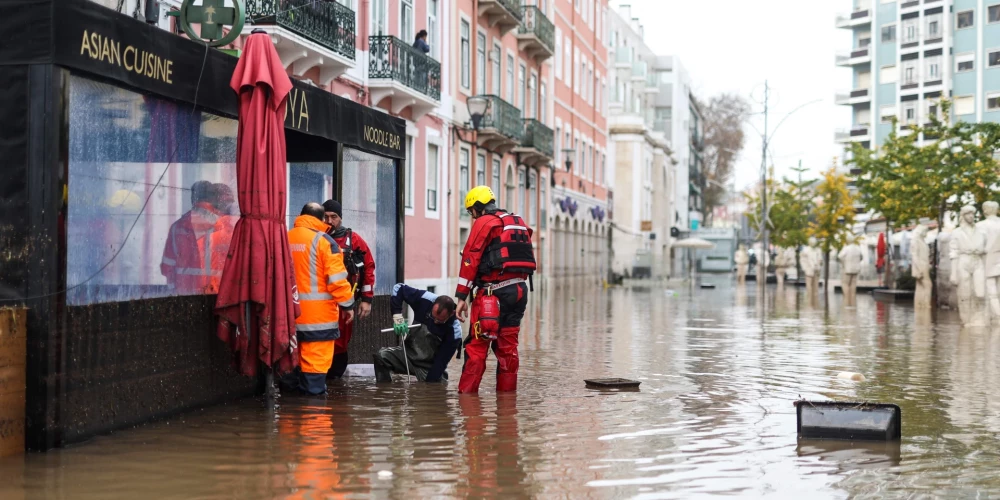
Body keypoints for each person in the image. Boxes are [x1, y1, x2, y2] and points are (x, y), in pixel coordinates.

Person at [455, 186, 535, 394]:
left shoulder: (485, 222)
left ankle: (468, 405)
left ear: (478, 207)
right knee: (508, 349)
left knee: (477, 347)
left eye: (471, 211)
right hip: (519, 291)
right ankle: (507, 407)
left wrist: (462, 295)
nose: (472, 217)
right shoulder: (517, 222)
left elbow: (470, 259)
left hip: (491, 294)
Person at [286, 202, 356, 395]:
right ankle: (313, 419)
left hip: (287, 318)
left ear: (300, 216)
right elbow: (337, 280)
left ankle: (288, 418)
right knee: (314, 374)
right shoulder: (324, 241)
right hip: (318, 321)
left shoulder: (283, 238)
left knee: (290, 369)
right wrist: (348, 304)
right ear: (321, 219)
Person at [321, 199, 376, 378]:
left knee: (341, 341)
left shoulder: (353, 240)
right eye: (325, 217)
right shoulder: (315, 238)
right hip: (318, 302)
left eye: (334, 217)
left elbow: (368, 267)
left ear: (340, 218)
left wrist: (366, 300)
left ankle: (335, 379)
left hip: (344, 302)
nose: (329, 221)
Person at [372, 283, 461, 383]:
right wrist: (397, 316)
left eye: (440, 321)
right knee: (381, 356)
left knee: (435, 387)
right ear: (432, 305)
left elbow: (440, 362)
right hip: (407, 355)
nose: (435, 322)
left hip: (427, 367)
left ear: (451, 314)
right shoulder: (425, 299)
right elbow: (399, 288)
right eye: (433, 317)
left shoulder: (455, 332)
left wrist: (430, 385)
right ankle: (385, 390)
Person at [160, 180, 232, 294]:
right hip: (217, 297)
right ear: (213, 200)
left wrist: (174, 291)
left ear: (193, 199)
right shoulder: (227, 229)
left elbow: (167, 267)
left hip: (185, 299)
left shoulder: (177, 228)